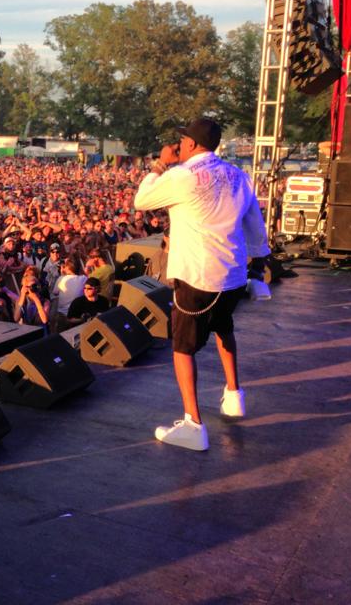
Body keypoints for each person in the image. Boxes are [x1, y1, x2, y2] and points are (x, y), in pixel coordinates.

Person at [134, 117, 269, 451]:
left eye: (181, 141)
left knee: (182, 347)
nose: (177, 146)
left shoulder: (182, 176)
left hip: (197, 276)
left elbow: (142, 200)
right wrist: (260, 264)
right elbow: (255, 224)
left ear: (192, 145)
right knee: (224, 328)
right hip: (233, 275)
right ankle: (234, 395)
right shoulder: (239, 175)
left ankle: (193, 425)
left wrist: (159, 164)